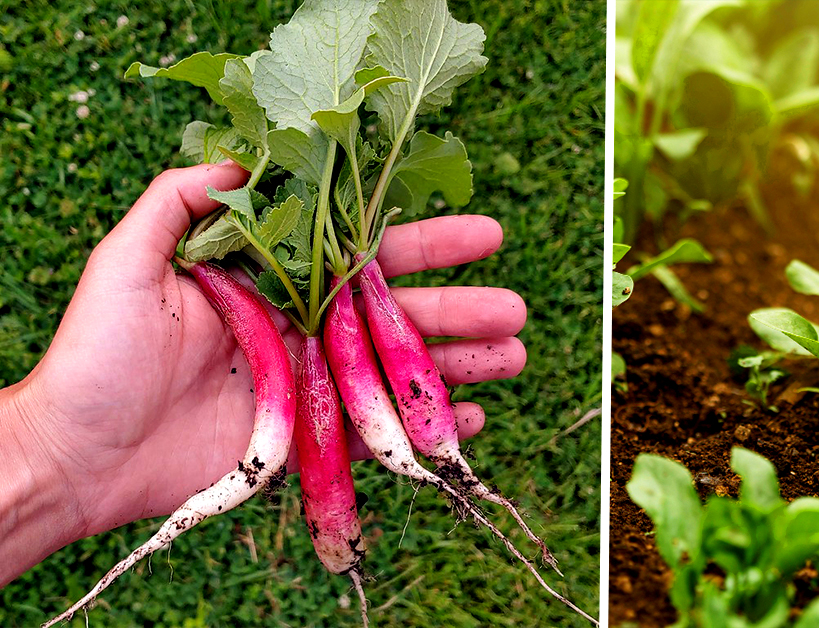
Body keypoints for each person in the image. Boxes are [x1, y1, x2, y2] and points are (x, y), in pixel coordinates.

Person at [0, 162, 527, 586]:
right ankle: (429, 469)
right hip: (307, 358)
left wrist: (49, 454)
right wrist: (51, 451)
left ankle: (436, 459)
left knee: (390, 425)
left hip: (330, 336)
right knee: (332, 423)